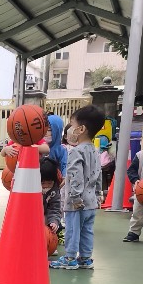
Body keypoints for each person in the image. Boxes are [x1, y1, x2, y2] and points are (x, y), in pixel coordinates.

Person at [49, 105, 105, 270]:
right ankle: (85, 258)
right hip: (91, 201)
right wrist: (98, 194)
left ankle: (70, 258)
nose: (69, 130)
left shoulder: (76, 151)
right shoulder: (95, 150)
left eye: (72, 125)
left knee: (73, 230)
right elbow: (98, 173)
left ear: (81, 129)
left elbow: (75, 176)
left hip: (77, 202)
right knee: (87, 230)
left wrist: (74, 197)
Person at [122, 146, 142, 242]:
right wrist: (135, 180)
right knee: (137, 212)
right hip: (141, 191)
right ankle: (134, 232)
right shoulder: (140, 155)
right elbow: (131, 170)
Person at [40, 157, 62, 234]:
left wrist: (54, 221)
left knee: (55, 228)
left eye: (49, 183)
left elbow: (55, 208)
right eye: (42, 183)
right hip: (32, 218)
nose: (46, 186)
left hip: (47, 217)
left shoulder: (54, 191)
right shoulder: (31, 190)